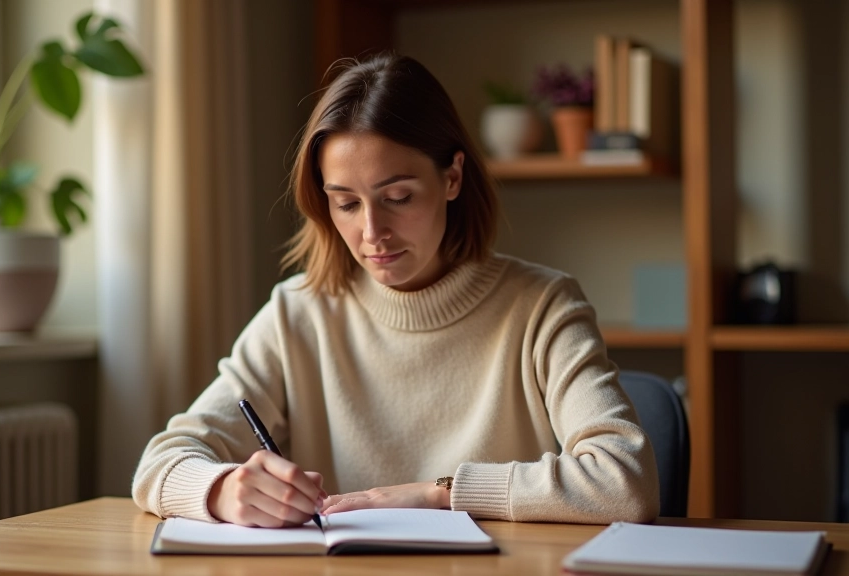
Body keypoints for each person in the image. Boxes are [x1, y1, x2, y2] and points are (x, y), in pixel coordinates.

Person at [132, 53, 659, 528]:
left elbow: (625, 482)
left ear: (452, 177)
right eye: (345, 203)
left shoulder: (544, 307)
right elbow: (160, 463)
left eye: (398, 197)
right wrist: (223, 490)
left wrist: (441, 495)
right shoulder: (300, 313)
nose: (371, 232)